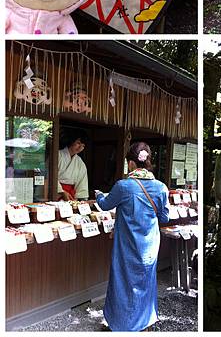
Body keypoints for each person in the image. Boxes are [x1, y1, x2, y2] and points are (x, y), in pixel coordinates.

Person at [95, 141, 169, 332]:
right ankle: (145, 321)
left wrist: (98, 195)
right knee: (146, 281)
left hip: (127, 245)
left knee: (123, 282)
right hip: (150, 245)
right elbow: (164, 216)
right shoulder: (161, 187)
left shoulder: (124, 186)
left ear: (131, 163)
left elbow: (105, 205)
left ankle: (122, 324)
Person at [58, 134, 88, 200]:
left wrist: (81, 199)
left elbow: (82, 182)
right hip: (56, 192)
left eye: (83, 146)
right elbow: (51, 177)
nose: (80, 147)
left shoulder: (80, 162)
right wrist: (62, 191)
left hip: (71, 195)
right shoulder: (58, 155)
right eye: (78, 143)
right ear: (71, 141)